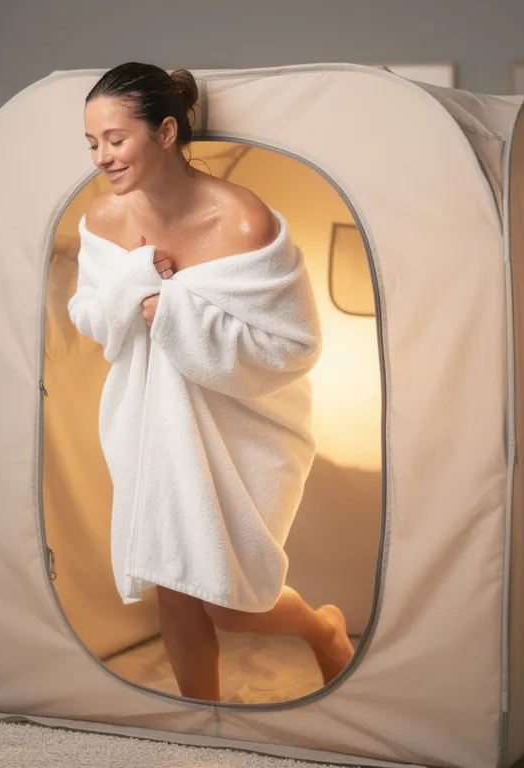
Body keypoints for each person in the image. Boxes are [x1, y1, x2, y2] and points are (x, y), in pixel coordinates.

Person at [77, 62, 355, 702]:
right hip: (153, 423)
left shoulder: (244, 222)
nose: (101, 158)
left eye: (115, 139)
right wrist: (133, 282)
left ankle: (323, 631)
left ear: (166, 131)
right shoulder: (102, 220)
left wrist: (172, 310)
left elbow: (293, 344)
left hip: (246, 425)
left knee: (233, 604)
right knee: (173, 583)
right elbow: (90, 316)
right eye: (91, 143)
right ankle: (201, 717)